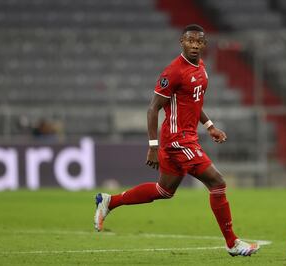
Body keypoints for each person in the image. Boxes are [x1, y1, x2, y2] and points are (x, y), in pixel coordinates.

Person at [94, 24, 260, 257]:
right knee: (218, 183)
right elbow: (153, 109)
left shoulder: (201, 68)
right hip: (177, 140)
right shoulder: (173, 71)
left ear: (204, 44)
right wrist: (153, 146)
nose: (194, 45)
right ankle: (232, 243)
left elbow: (194, 103)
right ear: (181, 41)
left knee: (164, 191)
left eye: (198, 41)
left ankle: (109, 202)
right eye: (189, 40)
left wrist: (209, 126)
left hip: (187, 137)